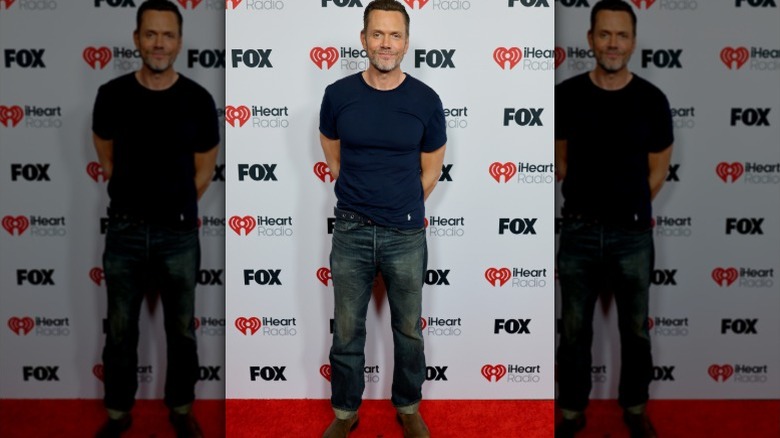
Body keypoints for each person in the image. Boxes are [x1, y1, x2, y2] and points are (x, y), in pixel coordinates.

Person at [91, 1, 220, 436]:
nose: (159, 43)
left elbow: (203, 172)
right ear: (136, 39)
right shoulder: (111, 95)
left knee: (181, 331)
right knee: (121, 331)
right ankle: (117, 413)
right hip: (124, 231)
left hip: (179, 233)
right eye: (150, 34)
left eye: (167, 35)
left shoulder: (199, 101)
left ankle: (182, 408)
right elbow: (106, 159)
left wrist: (172, 206)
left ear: (179, 42)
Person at [318, 1, 447, 436]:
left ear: (406, 43)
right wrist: (363, 197)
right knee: (348, 330)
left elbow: (431, 171)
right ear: (363, 39)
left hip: (406, 232)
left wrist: (399, 204)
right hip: (351, 229)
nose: (385, 43)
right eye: (377, 34)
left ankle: (408, 407)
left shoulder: (426, 101)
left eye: (394, 35)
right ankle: (345, 413)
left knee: (408, 329)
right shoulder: (338, 95)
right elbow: (334, 157)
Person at [554, 1, 673, 437]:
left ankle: (636, 406)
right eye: (604, 34)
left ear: (634, 43)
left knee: (636, 332)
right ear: (590, 39)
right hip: (580, 232)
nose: (612, 43)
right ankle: (570, 411)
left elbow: (658, 170)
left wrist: (629, 206)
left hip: (633, 234)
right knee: (573, 332)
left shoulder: (652, 100)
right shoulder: (565, 95)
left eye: (621, 35)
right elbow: (561, 159)